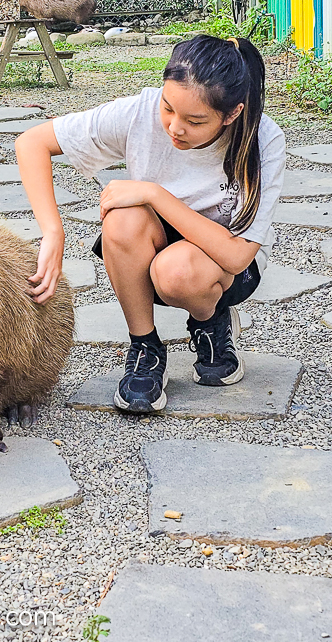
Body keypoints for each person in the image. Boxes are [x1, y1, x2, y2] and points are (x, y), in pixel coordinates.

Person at [15, 34, 286, 413]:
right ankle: (145, 347)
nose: (175, 127)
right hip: (151, 251)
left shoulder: (263, 140)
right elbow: (32, 143)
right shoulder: (140, 112)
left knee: (176, 271)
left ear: (232, 114)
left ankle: (211, 321)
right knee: (122, 219)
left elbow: (238, 255)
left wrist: (155, 194)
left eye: (195, 121)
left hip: (221, 267)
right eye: (168, 107)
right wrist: (53, 231)